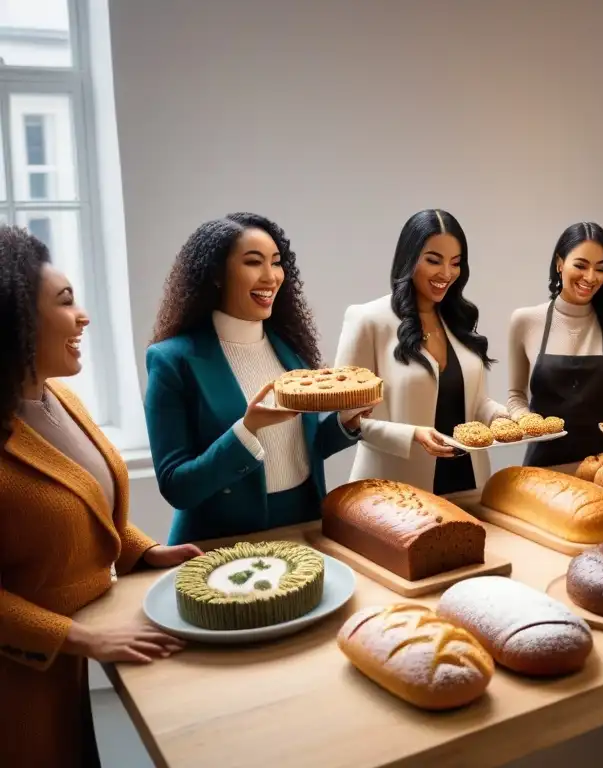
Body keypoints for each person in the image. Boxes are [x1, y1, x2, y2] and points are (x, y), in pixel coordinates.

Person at [0, 225, 200, 768]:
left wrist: (141, 550)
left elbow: (86, 498)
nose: (83, 315)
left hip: (69, 657)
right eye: (65, 302)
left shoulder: (58, 395)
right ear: (15, 318)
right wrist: (85, 639)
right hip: (17, 680)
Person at [145, 213, 365, 545]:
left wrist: (347, 421)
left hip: (304, 528)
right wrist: (246, 430)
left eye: (276, 263)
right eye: (253, 262)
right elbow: (177, 486)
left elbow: (304, 448)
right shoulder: (172, 360)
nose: (271, 276)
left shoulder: (290, 349)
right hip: (221, 544)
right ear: (217, 274)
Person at [334, 209, 507, 494]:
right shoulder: (368, 319)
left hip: (468, 484)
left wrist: (504, 417)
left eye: (456, 263)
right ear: (410, 258)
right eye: (433, 261)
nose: (446, 274)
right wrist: (412, 435)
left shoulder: (457, 320)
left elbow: (474, 404)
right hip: (394, 492)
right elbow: (347, 419)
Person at [507, 221, 603, 465]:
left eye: (601, 268)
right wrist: (528, 422)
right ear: (559, 263)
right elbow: (516, 396)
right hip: (542, 465)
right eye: (580, 265)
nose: (590, 277)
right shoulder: (525, 320)